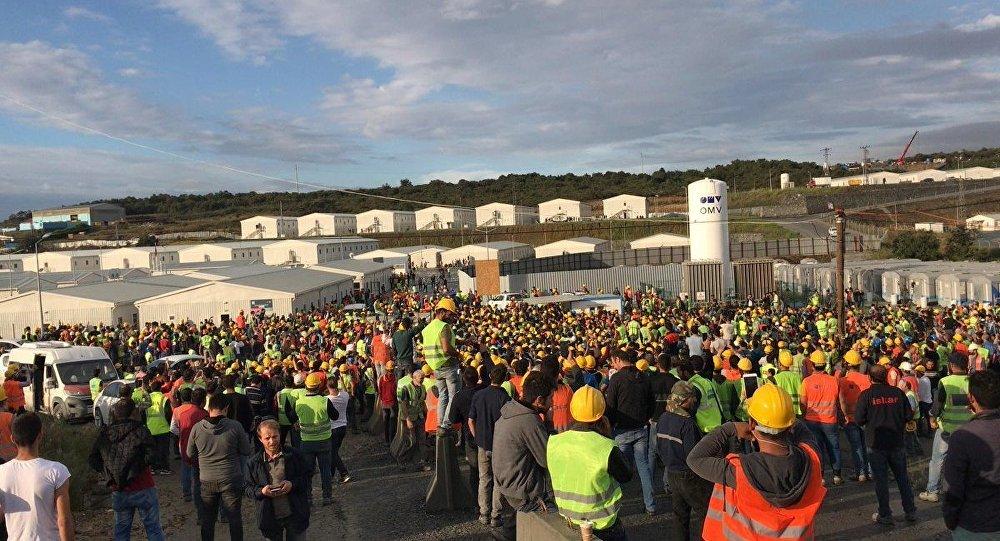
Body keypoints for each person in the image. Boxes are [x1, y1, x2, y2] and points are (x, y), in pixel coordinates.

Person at [688, 384, 826, 540]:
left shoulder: (739, 471)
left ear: (752, 424)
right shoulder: (812, 459)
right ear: (790, 426)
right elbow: (804, 433)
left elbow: (695, 459)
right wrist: (782, 416)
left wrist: (729, 428)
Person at [548, 385, 631, 541]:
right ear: (601, 413)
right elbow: (626, 475)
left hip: (569, 521)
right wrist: (607, 435)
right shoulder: (606, 446)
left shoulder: (554, 442)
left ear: (572, 410)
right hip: (602, 526)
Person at [89, 398, 166, 541]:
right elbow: (153, 454)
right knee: (153, 529)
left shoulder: (106, 434)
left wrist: (110, 476)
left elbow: (93, 459)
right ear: (133, 413)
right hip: (143, 486)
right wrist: (137, 469)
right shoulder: (140, 430)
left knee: (122, 532)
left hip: (119, 489)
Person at [492, 375, 555, 541]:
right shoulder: (530, 421)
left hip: (505, 482)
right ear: (539, 400)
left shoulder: (510, 410)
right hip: (522, 490)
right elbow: (547, 459)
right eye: (551, 398)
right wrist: (549, 423)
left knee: (512, 526)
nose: (552, 403)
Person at [854, 365, 916, 526]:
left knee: (881, 480)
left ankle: (885, 514)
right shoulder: (898, 393)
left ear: (870, 378)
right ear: (887, 376)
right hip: (896, 442)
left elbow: (859, 419)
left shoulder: (866, 395)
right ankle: (910, 511)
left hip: (876, 444)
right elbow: (909, 415)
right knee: (902, 478)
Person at [942, 369, 1000, 539]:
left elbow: (953, 487)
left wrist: (950, 519)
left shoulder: (962, 436)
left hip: (974, 525)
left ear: (971, 398)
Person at [187, 392, 253, 541]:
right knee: (234, 518)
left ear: (209, 407)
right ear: (226, 408)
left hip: (207, 480)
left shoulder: (197, 428)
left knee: (208, 519)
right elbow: (246, 450)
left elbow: (189, 453)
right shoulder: (235, 426)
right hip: (231, 478)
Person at [0, 412, 75, 541]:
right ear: (40, 436)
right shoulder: (56, 471)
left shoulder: (1, 472)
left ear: (12, 438)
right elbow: (64, 521)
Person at [657, 381, 712, 541]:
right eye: (692, 398)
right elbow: (694, 455)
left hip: (672, 473)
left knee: (680, 517)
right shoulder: (687, 423)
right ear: (684, 400)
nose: (694, 401)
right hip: (689, 476)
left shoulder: (664, 417)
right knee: (705, 513)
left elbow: (659, 446)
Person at [605, 348, 657, 515]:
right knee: (643, 468)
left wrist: (610, 426)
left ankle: (615, 508)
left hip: (621, 431)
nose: (613, 365)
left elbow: (610, 406)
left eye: (613, 361)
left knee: (617, 471)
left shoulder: (617, 378)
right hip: (641, 429)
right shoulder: (643, 376)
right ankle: (650, 505)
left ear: (619, 360)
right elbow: (652, 402)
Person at [919, 352, 972, 503]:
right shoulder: (972, 381)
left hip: (947, 429)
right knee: (966, 461)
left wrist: (932, 417)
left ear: (951, 366)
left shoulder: (945, 381)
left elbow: (937, 406)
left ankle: (933, 491)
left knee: (937, 460)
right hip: (968, 430)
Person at [246, 420, 310, 541]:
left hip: (295, 514)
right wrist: (262, 491)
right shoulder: (253, 463)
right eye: (267, 438)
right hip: (270, 519)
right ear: (260, 439)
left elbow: (306, 477)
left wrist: (292, 484)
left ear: (280, 435)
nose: (272, 441)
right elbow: (248, 488)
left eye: (275, 436)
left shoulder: (294, 455)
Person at [468, 365, 511, 528]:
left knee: (484, 478)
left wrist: (477, 436)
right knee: (498, 481)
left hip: (482, 444)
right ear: (504, 378)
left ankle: (484, 513)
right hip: (499, 445)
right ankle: (495, 515)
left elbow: (471, 420)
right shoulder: (504, 397)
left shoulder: (479, 395)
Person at [285, 373, 338, 506]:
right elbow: (335, 416)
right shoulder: (324, 400)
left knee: (307, 471)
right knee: (325, 470)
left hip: (307, 442)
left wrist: (295, 422)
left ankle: (308, 498)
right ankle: (327, 497)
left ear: (306, 386)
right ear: (319, 386)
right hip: (324, 441)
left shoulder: (299, 402)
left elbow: (290, 414)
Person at [800, 350, 843, 485]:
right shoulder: (833, 381)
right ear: (825, 365)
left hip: (812, 420)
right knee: (834, 447)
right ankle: (837, 475)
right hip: (830, 419)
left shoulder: (806, 382)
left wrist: (804, 415)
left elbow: (803, 403)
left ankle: (821, 476)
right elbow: (839, 401)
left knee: (817, 448)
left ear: (812, 365)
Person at [422, 297, 462, 431]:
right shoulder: (444, 326)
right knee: (453, 395)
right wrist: (458, 354)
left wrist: (461, 342)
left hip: (436, 367)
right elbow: (446, 348)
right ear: (443, 312)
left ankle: (440, 423)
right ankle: (446, 423)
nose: (452, 316)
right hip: (448, 365)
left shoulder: (428, 327)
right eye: (450, 313)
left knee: (443, 395)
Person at [449, 366, 484, 498]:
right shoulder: (484, 390)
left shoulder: (459, 396)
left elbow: (452, 418)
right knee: (487, 469)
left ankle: (477, 501)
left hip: (470, 436)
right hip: (487, 434)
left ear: (464, 379)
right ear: (477, 378)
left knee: (474, 470)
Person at [838, 350, 872, 482]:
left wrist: (844, 415)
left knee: (856, 446)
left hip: (850, 418)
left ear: (847, 363)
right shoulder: (867, 379)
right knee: (867, 445)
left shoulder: (842, 381)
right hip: (865, 418)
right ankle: (870, 471)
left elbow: (841, 401)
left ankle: (861, 473)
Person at [172, 387, 207, 509]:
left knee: (186, 470)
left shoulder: (181, 413)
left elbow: (174, 428)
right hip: (201, 451)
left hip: (185, 447)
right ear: (203, 401)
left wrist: (181, 435)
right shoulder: (204, 414)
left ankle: (187, 493)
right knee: (198, 479)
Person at [394, 369, 429, 471]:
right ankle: (401, 458)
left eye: (423, 378)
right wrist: (408, 419)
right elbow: (403, 405)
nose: (422, 380)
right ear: (414, 378)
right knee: (411, 441)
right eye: (420, 378)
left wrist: (425, 411)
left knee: (421, 441)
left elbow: (422, 401)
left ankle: (420, 463)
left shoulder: (423, 387)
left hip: (419, 417)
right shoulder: (406, 388)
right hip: (409, 418)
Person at [326, 379, 351, 484]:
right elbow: (344, 391)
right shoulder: (345, 395)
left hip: (332, 428)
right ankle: (331, 475)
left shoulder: (327, 399)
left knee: (332, 453)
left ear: (327, 387)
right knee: (334, 452)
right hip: (343, 427)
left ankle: (344, 473)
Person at [146, 379, 172, 475]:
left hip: (150, 428)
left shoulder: (147, 397)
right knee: (163, 450)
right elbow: (168, 413)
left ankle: (152, 468)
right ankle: (164, 468)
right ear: (160, 388)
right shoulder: (163, 398)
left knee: (152, 450)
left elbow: (142, 413)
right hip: (163, 427)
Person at [377, 361, 398, 446]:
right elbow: (395, 391)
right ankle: (392, 440)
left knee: (386, 421)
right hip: (392, 403)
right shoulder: (395, 379)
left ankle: (386, 440)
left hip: (384, 403)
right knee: (392, 422)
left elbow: (380, 390)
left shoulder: (382, 378)